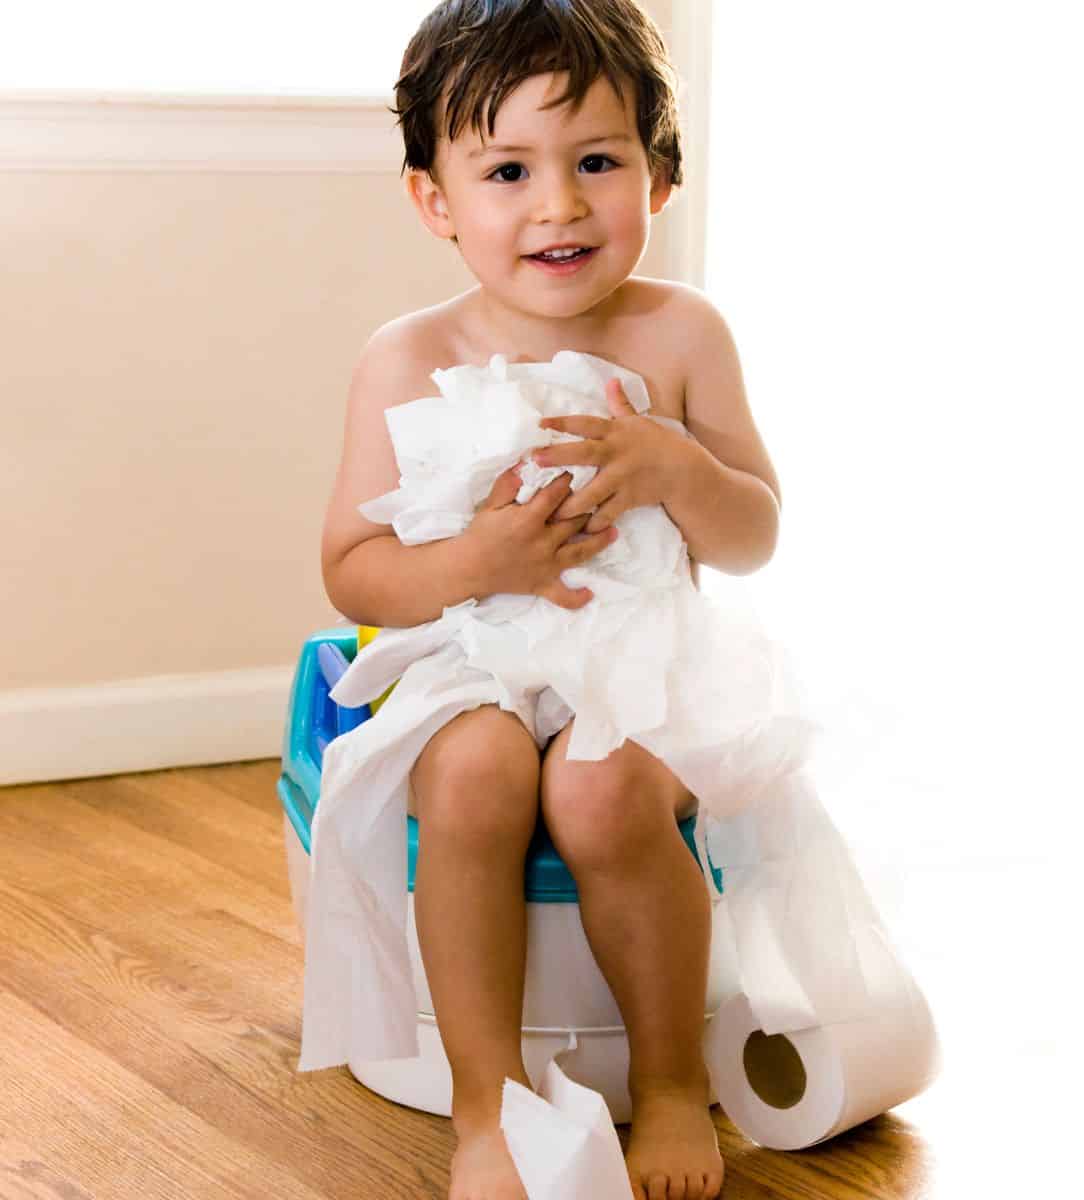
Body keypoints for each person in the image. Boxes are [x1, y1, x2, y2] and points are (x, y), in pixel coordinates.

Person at [317, 3, 785, 1197]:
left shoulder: (683, 334)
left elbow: (752, 537)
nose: (558, 205)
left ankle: (672, 1082)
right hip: (473, 645)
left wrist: (680, 469)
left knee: (600, 781)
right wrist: (482, 561)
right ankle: (487, 1104)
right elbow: (356, 570)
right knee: (472, 772)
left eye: (596, 162)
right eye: (509, 169)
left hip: (640, 651)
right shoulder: (405, 356)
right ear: (437, 200)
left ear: (659, 175)